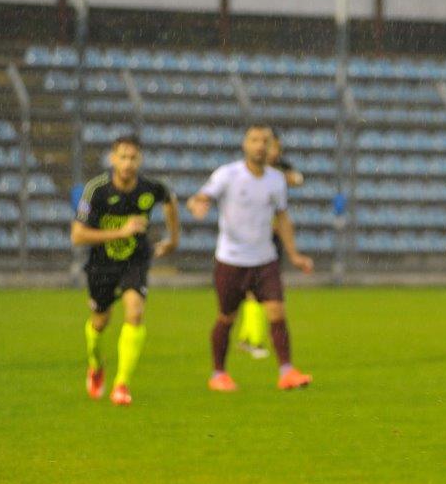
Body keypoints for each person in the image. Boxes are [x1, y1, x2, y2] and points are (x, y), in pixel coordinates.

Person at [187, 124, 314, 392]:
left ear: (271, 147)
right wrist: (198, 204)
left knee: (277, 312)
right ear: (245, 144)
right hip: (231, 260)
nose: (259, 145)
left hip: (265, 259)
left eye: (265, 141)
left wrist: (294, 254)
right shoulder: (228, 174)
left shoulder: (276, 179)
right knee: (226, 317)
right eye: (254, 140)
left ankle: (287, 371)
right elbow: (202, 196)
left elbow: (282, 217)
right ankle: (218, 373)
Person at [72, 134, 179, 406]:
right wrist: (121, 231)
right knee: (100, 321)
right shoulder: (96, 189)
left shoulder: (150, 188)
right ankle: (96, 364)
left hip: (135, 259)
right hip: (102, 264)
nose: (128, 163)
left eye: (133, 157)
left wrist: (173, 239)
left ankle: (121, 384)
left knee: (135, 312)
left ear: (140, 160)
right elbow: (78, 235)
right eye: (123, 157)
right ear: (113, 159)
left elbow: (170, 200)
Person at [237, 127, 305, 359]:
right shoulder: (251, 170)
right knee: (255, 291)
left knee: (257, 291)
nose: (273, 151)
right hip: (254, 236)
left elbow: (298, 178)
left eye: (275, 146)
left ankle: (248, 337)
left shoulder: (278, 170)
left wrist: (288, 178)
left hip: (272, 237)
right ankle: (253, 340)